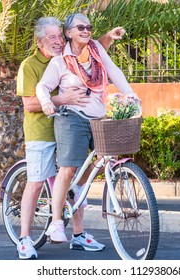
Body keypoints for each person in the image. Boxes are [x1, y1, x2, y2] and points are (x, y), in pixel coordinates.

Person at [16, 16, 125, 260]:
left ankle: (78, 235)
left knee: (75, 179)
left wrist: (107, 36)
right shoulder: (30, 65)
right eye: (51, 37)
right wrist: (62, 100)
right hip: (42, 131)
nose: (56, 41)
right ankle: (24, 238)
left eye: (58, 36)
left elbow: (94, 49)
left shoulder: (69, 55)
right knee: (36, 182)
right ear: (40, 40)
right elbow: (29, 104)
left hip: (70, 124)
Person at [36, 13, 140, 251]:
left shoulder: (96, 51)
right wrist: (47, 102)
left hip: (98, 118)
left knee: (104, 159)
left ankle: (76, 189)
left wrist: (130, 93)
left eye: (89, 27)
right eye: (80, 27)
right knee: (68, 168)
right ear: (69, 32)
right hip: (72, 118)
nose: (86, 31)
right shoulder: (60, 61)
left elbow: (114, 71)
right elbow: (42, 86)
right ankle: (56, 224)